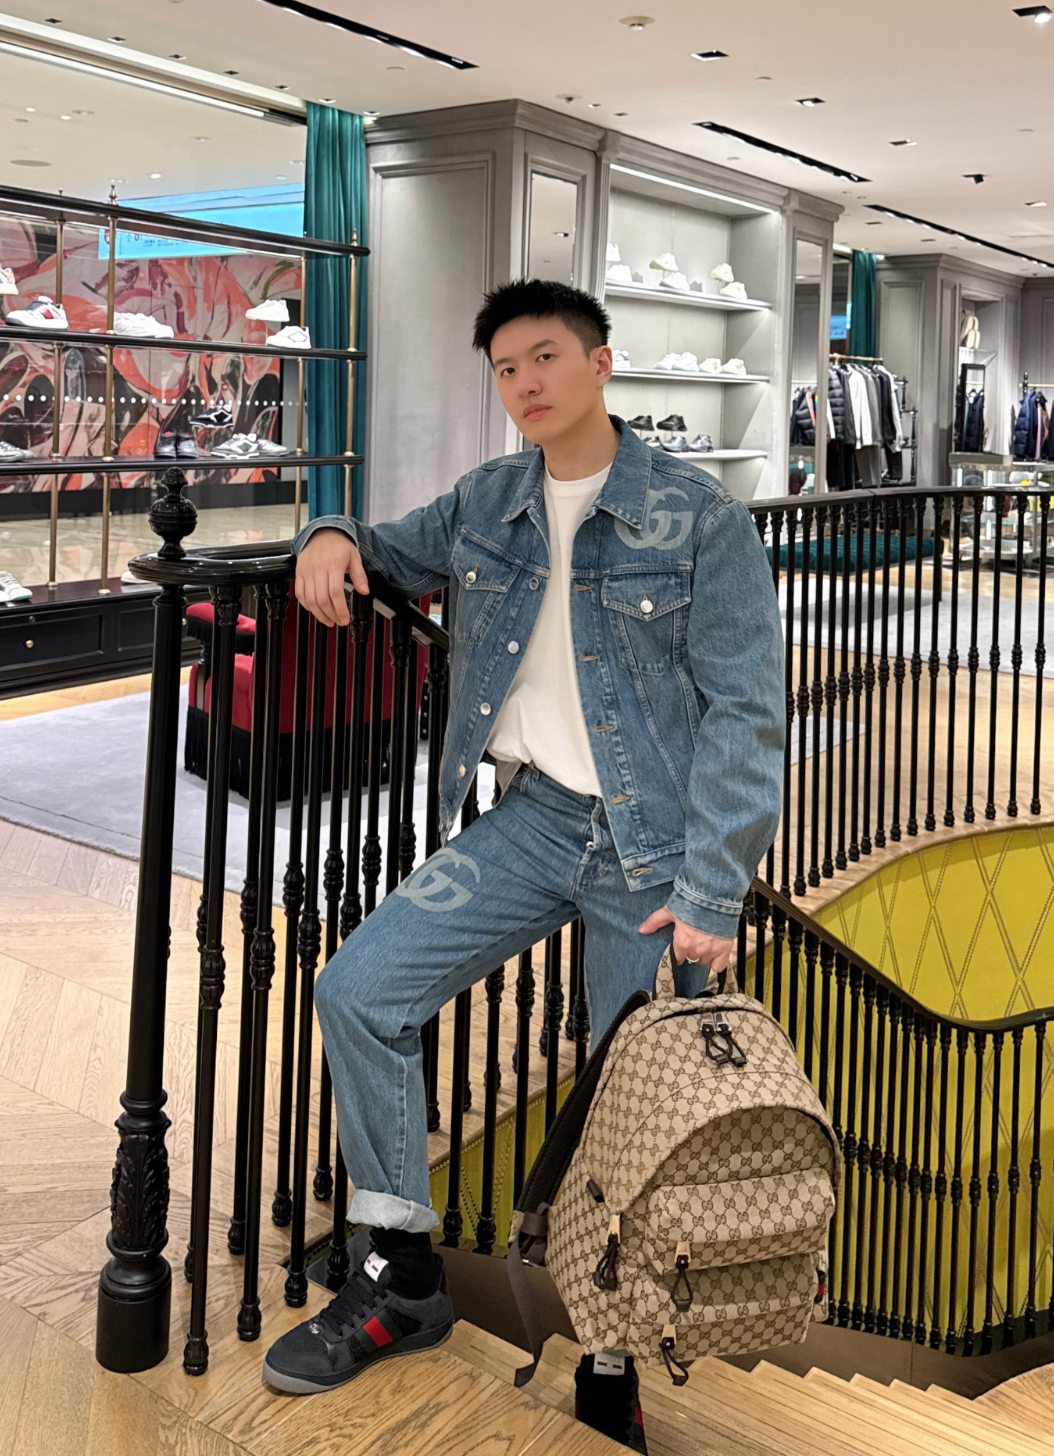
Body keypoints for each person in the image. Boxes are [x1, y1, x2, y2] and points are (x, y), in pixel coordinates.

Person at [262, 279, 785, 1447]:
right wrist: (327, 533)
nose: (525, 383)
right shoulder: (488, 500)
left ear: (601, 363)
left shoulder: (700, 518)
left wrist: (714, 888)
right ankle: (402, 1273)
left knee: (623, 1099)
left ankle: (610, 1352)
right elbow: (378, 551)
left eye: (545, 357)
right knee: (358, 989)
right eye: (505, 368)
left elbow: (749, 716)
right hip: (535, 819)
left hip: (656, 850)